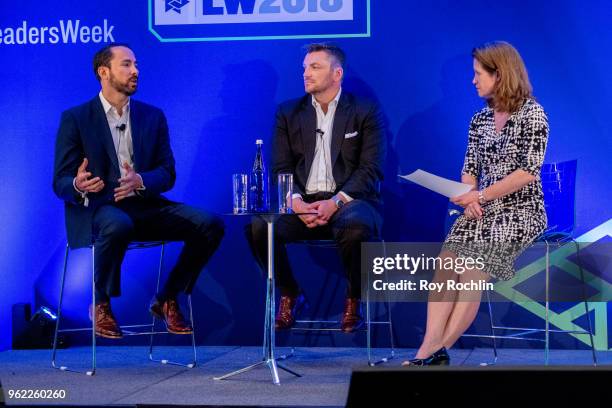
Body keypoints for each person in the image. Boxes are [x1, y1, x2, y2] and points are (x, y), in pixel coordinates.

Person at [53, 43, 224, 339]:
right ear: (103, 72)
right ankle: (101, 303)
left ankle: (167, 298)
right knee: (118, 225)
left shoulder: (152, 116)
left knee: (209, 224)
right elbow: (61, 181)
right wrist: (77, 184)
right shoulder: (76, 118)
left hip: (143, 206)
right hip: (98, 208)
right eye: (127, 64)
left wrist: (140, 180)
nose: (136, 71)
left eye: (136, 64)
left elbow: (167, 173)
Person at [403, 41, 549, 365]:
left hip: (520, 211)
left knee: (471, 269)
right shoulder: (479, 120)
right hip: (482, 209)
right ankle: (428, 348)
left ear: (501, 74)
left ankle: (436, 353)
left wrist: (479, 196)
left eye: (478, 74)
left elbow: (527, 172)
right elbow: (470, 169)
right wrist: (468, 196)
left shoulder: (532, 114)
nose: (473, 81)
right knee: (447, 264)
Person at [246, 43, 386, 333]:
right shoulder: (288, 113)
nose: (306, 74)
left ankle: (354, 297)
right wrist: (294, 201)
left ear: (337, 74)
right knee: (259, 226)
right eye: (305, 68)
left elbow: (370, 169)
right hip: (303, 204)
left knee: (355, 226)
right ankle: (290, 293)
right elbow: (281, 167)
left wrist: (335, 202)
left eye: (315, 67)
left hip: (350, 202)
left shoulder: (364, 110)